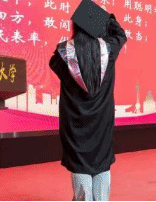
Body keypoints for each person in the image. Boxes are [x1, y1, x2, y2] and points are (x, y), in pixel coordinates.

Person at [49, 12, 127, 201]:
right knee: (101, 162)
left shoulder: (63, 53)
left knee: (80, 163)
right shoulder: (108, 50)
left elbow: (54, 64)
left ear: (75, 27)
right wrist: (105, 16)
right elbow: (120, 34)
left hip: (74, 122)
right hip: (102, 121)